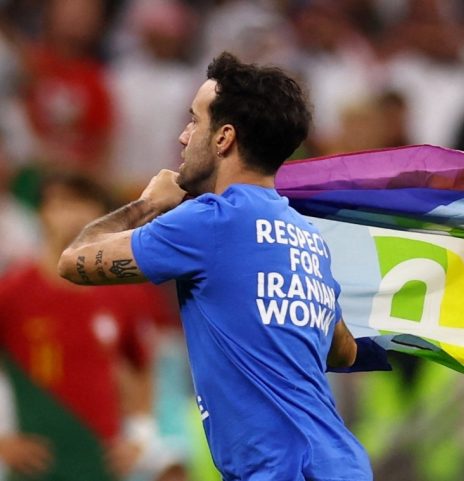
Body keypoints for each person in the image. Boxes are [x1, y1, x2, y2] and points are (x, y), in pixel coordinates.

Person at [58, 52, 371, 481]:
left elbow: (73, 260)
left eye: (194, 121)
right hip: (339, 464)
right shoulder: (306, 236)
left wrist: (150, 203)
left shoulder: (212, 219)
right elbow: (343, 350)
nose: (184, 137)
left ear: (223, 138)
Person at [0, 172, 165, 479]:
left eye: (83, 204)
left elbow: (142, 367)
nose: (73, 215)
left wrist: (140, 435)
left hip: (99, 464)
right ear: (42, 213)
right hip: (35, 469)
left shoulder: (127, 294)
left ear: (101, 215)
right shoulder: (11, 294)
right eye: (62, 204)